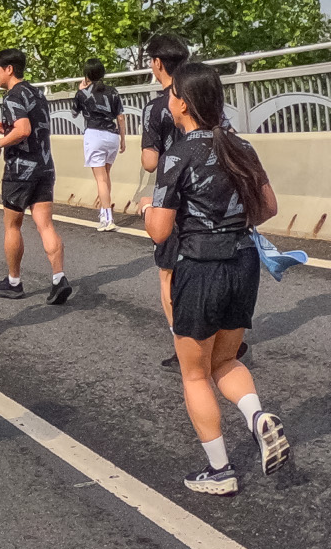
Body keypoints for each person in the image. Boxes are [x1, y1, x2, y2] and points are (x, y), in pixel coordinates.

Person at [147, 61, 290, 494]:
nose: (168, 100)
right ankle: (257, 416)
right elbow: (268, 208)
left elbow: (160, 231)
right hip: (244, 264)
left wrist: (148, 211)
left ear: (184, 103)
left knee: (194, 373)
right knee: (226, 359)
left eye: (172, 93)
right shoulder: (241, 145)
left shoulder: (177, 153)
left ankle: (220, 470)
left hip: (200, 268)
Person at [0, 50, 69, 304]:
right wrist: (7, 129)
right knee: (45, 225)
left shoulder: (12, 96)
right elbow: (30, 127)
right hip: (44, 166)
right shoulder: (37, 93)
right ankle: (58, 278)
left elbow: (23, 129)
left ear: (9, 69)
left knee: (12, 225)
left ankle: (13, 281)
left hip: (21, 171)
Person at [139, 33, 192, 364]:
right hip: (208, 192)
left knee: (168, 273)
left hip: (171, 195)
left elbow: (149, 161)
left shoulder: (156, 106)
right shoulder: (202, 94)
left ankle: (184, 347)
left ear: (158, 63)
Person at [74, 59, 126, 230]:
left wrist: (80, 91)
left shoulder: (83, 93)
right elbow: (120, 116)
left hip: (94, 135)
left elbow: (74, 113)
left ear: (87, 74)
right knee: (106, 176)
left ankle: (107, 218)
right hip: (112, 136)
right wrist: (123, 138)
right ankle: (104, 213)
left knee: (100, 179)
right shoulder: (113, 92)